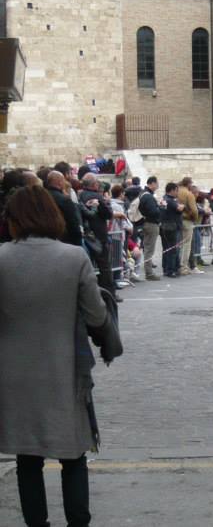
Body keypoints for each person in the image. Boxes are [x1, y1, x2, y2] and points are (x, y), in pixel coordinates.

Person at [0, 186, 112, 527]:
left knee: (27, 457)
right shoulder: (73, 258)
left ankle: (37, 523)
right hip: (65, 370)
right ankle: (78, 522)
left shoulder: (1, 258)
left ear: (14, 219)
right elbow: (96, 315)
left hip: (14, 372)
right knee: (73, 454)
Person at [78, 173, 117, 297]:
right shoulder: (97, 197)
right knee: (104, 266)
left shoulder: (80, 196)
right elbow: (108, 214)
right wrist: (107, 203)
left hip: (85, 234)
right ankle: (109, 293)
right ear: (94, 184)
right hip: (98, 235)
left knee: (87, 266)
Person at [44, 171, 83, 247]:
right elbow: (72, 222)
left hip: (47, 237)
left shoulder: (42, 196)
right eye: (63, 180)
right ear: (60, 182)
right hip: (65, 239)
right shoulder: (64, 200)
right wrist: (78, 241)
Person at [137, 177, 162, 280]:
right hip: (151, 224)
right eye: (157, 183)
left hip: (145, 223)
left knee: (147, 248)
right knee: (149, 249)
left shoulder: (143, 194)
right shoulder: (148, 196)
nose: (158, 186)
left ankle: (149, 271)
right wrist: (160, 207)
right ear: (152, 183)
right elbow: (153, 212)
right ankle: (149, 273)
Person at [160, 182, 184, 277]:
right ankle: (171, 270)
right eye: (176, 190)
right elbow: (179, 208)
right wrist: (182, 206)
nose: (177, 193)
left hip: (165, 227)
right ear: (172, 190)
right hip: (172, 227)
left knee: (167, 249)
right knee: (173, 249)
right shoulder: (170, 200)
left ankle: (166, 269)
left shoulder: (164, 199)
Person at [177, 177, 199, 276]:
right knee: (186, 244)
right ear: (189, 184)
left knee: (178, 244)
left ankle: (176, 265)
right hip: (187, 220)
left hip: (177, 220)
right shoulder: (189, 194)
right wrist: (195, 218)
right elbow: (194, 210)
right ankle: (183, 267)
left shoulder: (177, 191)